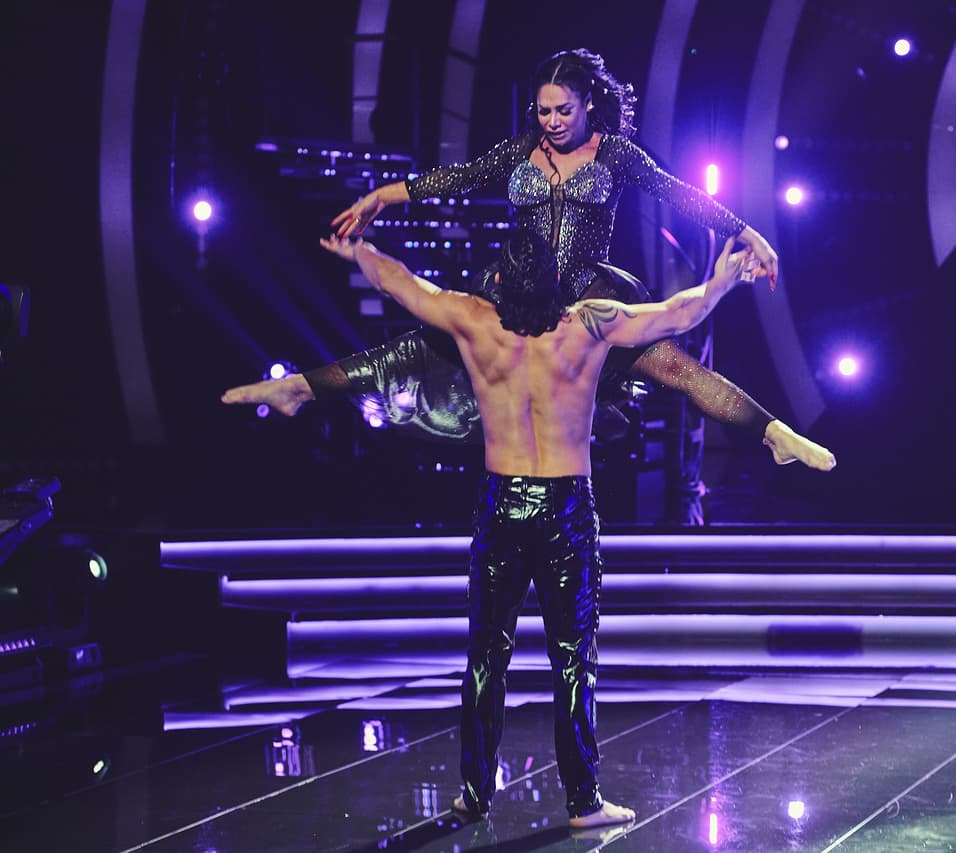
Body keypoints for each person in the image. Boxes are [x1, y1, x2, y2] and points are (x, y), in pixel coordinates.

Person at [319, 227, 758, 827]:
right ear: (556, 280)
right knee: (573, 659)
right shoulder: (589, 323)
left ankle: (475, 793)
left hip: (501, 503)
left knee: (485, 657)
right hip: (563, 506)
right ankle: (583, 801)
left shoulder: (474, 319)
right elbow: (681, 313)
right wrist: (724, 280)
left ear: (500, 279)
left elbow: (399, 283)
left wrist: (358, 252)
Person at [222, 48, 835, 475]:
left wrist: (745, 231)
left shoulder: (616, 154)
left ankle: (775, 434)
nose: (553, 122)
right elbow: (458, 177)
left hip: (589, 296)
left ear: (588, 104)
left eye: (563, 110)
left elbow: (680, 194)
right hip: (518, 290)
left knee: (673, 366)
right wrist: (386, 194)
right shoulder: (521, 151)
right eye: (544, 111)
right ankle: (298, 389)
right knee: (414, 348)